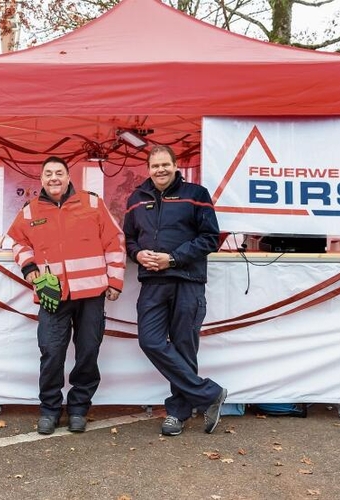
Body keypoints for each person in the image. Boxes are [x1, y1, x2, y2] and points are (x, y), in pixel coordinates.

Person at [7, 156, 126, 435]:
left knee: (88, 351)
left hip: (91, 294)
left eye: (59, 172)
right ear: (41, 179)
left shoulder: (93, 203)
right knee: (51, 351)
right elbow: (15, 241)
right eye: (48, 173)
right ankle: (49, 409)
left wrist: (115, 280)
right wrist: (29, 267)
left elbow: (115, 241)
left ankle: (78, 408)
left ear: (69, 176)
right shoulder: (30, 211)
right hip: (53, 296)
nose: (54, 178)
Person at [122, 145, 227, 437]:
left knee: (184, 346)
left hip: (187, 280)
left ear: (175, 164)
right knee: (150, 340)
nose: (160, 170)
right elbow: (129, 238)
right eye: (155, 166)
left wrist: (174, 258)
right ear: (148, 168)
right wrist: (138, 255)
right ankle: (209, 394)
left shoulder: (196, 195)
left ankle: (178, 414)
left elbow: (210, 238)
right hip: (153, 282)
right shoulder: (136, 199)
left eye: (165, 164)